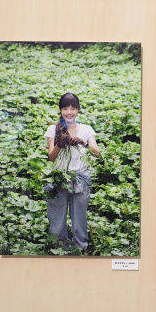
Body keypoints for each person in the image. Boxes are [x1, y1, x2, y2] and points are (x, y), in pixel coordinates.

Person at [45, 93, 100, 251]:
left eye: (73, 108)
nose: (69, 112)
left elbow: (96, 151)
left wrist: (84, 143)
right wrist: (59, 144)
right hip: (60, 177)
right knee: (57, 217)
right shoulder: (53, 129)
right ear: (60, 110)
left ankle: (80, 248)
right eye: (65, 108)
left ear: (78, 110)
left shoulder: (86, 129)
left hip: (80, 178)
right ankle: (58, 246)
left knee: (80, 217)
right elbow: (51, 157)